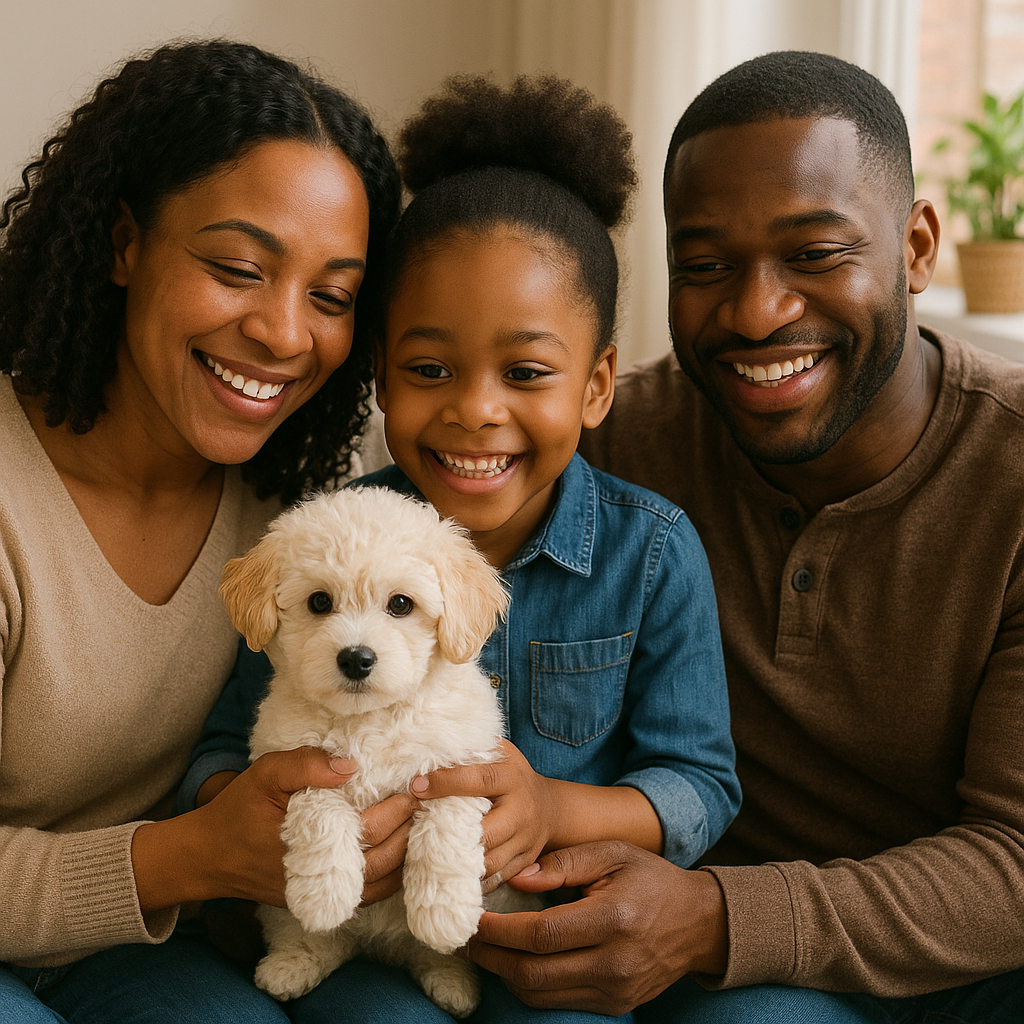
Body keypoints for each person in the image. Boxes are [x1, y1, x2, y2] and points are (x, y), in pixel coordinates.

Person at [446, 50, 1024, 1023]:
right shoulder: (610, 445)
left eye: (815, 253)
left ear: (917, 247)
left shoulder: (1007, 473)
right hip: (721, 974)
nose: (757, 313)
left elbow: (1013, 860)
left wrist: (715, 917)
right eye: (705, 267)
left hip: (958, 960)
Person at [183, 74, 741, 1024]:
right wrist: (258, 812)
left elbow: (698, 784)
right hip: (363, 936)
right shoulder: (327, 540)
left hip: (555, 929)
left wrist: (556, 810)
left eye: (526, 372)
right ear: (381, 378)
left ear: (598, 386)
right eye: (430, 369)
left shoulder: (652, 552)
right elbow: (226, 746)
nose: (476, 410)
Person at [0, 38, 406, 1023]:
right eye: (237, 267)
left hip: (141, 940)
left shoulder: (298, 519)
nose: (282, 332)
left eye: (333, 296)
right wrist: (194, 854)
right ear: (123, 242)